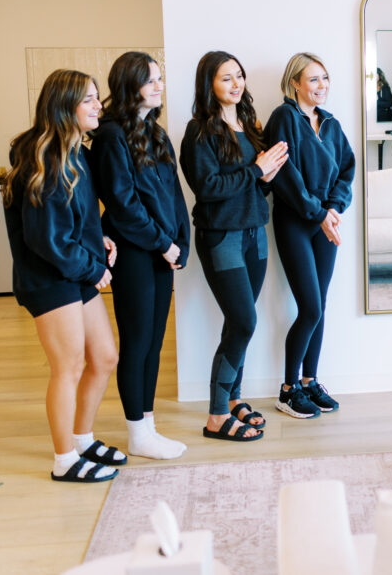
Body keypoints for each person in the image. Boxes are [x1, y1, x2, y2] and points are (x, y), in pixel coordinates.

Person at [3, 69, 125, 482]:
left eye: (97, 98)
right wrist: (95, 269)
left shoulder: (76, 152)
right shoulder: (46, 158)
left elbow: (80, 221)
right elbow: (47, 241)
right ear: (64, 106)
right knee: (68, 366)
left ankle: (82, 438)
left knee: (105, 356)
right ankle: (65, 460)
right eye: (89, 100)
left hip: (75, 269)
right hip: (50, 278)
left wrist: (101, 239)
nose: (98, 106)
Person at [179, 51, 288, 442]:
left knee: (237, 321)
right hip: (221, 236)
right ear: (209, 83)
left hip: (255, 234)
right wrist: (257, 170)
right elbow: (208, 190)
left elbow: (255, 184)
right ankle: (215, 415)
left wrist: (267, 174)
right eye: (226, 78)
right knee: (244, 322)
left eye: (239, 76)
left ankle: (233, 401)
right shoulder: (199, 132)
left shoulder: (250, 125)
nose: (236, 83)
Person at [89, 52, 190, 459]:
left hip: (161, 251)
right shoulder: (111, 135)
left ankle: (147, 426)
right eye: (150, 80)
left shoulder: (156, 132)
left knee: (154, 344)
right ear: (130, 85)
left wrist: (181, 241)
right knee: (137, 341)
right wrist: (163, 243)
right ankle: (137, 432)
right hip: (133, 252)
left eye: (160, 79)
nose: (159, 86)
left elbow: (173, 193)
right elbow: (122, 203)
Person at [264, 53, 355, 419]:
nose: (322, 86)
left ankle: (310, 380)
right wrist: (319, 215)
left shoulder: (330, 124)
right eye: (313, 79)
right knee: (311, 308)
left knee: (321, 307)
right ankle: (288, 390)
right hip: (296, 223)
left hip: (324, 223)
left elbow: (346, 170)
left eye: (325, 78)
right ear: (295, 84)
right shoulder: (283, 117)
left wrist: (334, 210)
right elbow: (287, 178)